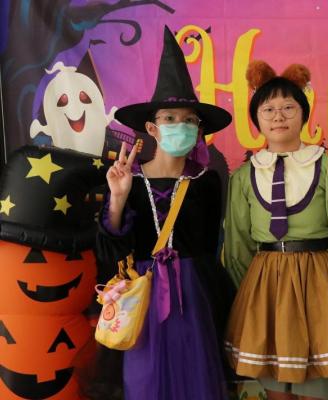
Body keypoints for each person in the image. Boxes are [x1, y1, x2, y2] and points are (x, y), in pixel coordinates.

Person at [224, 60, 328, 400]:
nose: (278, 116)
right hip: (266, 289)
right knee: (276, 392)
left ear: (303, 114)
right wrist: (252, 301)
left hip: (319, 283)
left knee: (317, 390)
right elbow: (238, 246)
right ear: (256, 118)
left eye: (288, 107)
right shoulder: (244, 177)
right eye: (268, 109)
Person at [95, 26, 232, 400]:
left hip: (193, 295)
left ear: (199, 130)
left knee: (196, 379)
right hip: (141, 296)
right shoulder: (129, 179)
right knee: (145, 380)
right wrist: (118, 198)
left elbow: (210, 245)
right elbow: (110, 249)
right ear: (152, 128)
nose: (180, 126)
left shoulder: (207, 181)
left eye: (189, 120)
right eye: (170, 118)